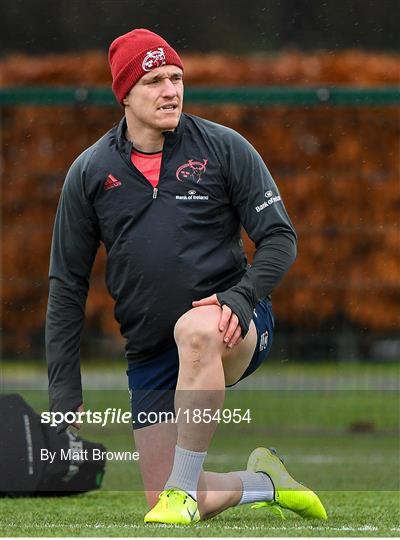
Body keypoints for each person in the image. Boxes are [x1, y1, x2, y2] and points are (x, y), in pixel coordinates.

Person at [46, 28, 327, 525]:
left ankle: (182, 491)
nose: (171, 90)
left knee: (194, 330)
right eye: (154, 80)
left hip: (234, 323)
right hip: (149, 351)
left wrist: (241, 298)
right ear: (125, 94)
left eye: (176, 77)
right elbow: (67, 284)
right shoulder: (89, 171)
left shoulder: (224, 148)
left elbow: (280, 239)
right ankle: (266, 483)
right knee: (166, 498)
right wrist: (65, 391)